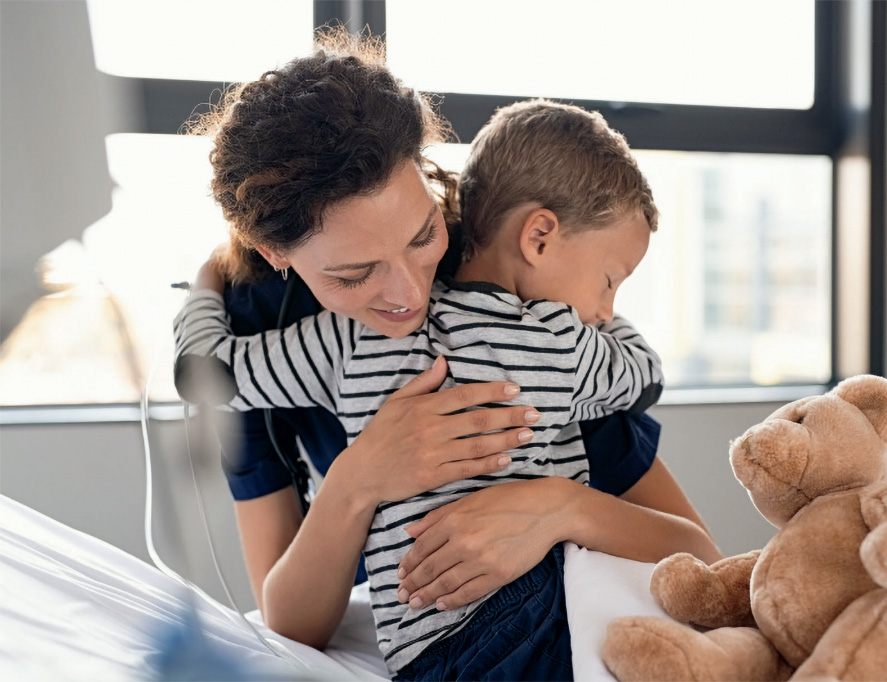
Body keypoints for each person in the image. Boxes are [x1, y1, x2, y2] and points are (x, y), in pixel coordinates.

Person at [176, 85, 721, 679]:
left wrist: (560, 507)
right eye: (355, 275)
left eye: (422, 238)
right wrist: (359, 477)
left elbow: (702, 559)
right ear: (274, 253)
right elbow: (291, 622)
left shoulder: (541, 303)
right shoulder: (261, 316)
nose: (409, 296)